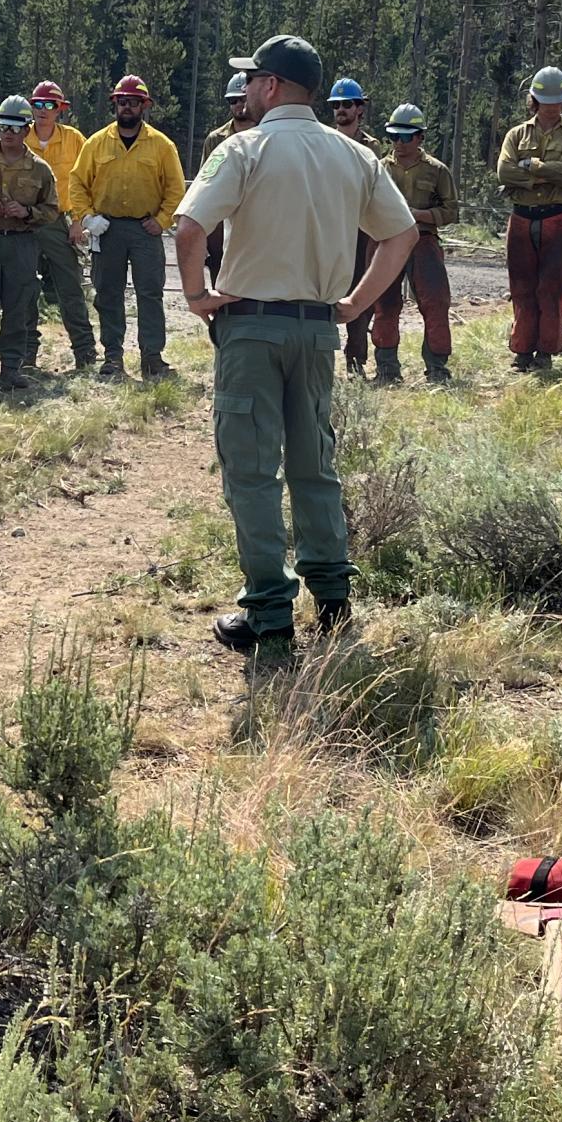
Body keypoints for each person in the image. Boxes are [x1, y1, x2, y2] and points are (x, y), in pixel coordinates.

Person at [175, 35, 417, 660]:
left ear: (273, 85)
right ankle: (333, 600)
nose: (247, 90)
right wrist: (354, 305)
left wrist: (198, 295)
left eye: (252, 80)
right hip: (316, 329)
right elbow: (401, 234)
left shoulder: (244, 149)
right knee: (315, 463)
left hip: (251, 326)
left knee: (252, 472)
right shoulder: (354, 156)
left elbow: (190, 225)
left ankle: (269, 614)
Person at [72, 74, 186, 379]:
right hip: (106, 230)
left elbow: (176, 189)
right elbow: (77, 182)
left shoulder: (162, 146)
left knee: (150, 293)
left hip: (144, 231)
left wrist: (161, 221)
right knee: (108, 293)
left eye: (134, 102)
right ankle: (112, 358)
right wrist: (87, 218)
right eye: (122, 102)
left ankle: (152, 357)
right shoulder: (96, 143)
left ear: (144, 106)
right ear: (115, 105)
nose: (127, 107)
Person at [0, 94, 60, 392]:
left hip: (22, 245)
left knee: (18, 310)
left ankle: (11, 369)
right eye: (4, 126)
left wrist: (27, 212)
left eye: (16, 128)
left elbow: (52, 210)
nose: (9, 133)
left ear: (27, 130)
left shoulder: (40, 169)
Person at [496, 66, 562, 371]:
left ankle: (545, 353)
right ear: (533, 100)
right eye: (545, 100)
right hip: (521, 219)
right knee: (521, 288)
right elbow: (503, 171)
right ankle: (522, 351)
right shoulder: (516, 134)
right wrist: (544, 175)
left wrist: (530, 166)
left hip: (556, 219)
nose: (550, 106)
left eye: (556, 100)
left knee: (551, 288)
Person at [372, 103, 458, 383]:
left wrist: (417, 215)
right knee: (384, 303)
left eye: (405, 137)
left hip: (424, 240)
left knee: (435, 302)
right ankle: (386, 368)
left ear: (420, 137)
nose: (399, 142)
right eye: (394, 136)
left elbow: (450, 211)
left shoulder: (437, 171)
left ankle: (437, 368)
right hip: (388, 241)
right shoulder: (380, 169)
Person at [24, 80, 98, 372]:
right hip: (24, 223)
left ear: (60, 110)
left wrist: (78, 221)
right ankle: (26, 354)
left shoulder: (75, 140)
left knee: (70, 288)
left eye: (49, 105)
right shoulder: (19, 137)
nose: (42, 110)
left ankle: (85, 352)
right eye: (37, 104)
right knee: (24, 290)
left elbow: (86, 181)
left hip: (59, 221)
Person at [327, 77, 383, 375]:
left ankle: (356, 359)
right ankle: (320, 356)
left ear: (360, 108)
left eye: (347, 104)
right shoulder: (323, 140)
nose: (341, 110)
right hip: (330, 227)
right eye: (336, 105)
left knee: (361, 292)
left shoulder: (371, 147)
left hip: (361, 230)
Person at [198, 71, 253, 288]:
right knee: (219, 278)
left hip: (256, 218)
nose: (239, 105)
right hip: (221, 220)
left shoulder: (269, 135)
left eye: (243, 99)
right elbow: (204, 186)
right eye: (233, 101)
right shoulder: (215, 139)